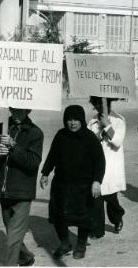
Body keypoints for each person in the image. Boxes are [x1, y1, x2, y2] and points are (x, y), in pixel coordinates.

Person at [40, 105, 105, 260]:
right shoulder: (60, 135)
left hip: (83, 186)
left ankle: (81, 244)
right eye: (69, 119)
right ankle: (64, 243)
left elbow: (100, 162)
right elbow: (52, 156)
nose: (72, 123)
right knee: (59, 215)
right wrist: (45, 173)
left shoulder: (90, 138)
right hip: (61, 184)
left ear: (82, 120)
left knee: (83, 217)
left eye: (76, 119)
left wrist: (97, 181)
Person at [0, 107, 44, 266]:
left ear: (28, 110)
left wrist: (14, 146)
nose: (17, 114)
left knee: (12, 237)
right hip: (3, 191)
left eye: (21, 111)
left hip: (22, 193)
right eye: (14, 110)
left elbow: (33, 162)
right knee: (12, 232)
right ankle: (25, 257)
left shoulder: (35, 133)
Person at [87, 96, 126, 238]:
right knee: (97, 195)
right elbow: (88, 141)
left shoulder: (119, 120)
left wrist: (108, 126)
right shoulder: (92, 122)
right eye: (95, 102)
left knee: (110, 196)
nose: (98, 105)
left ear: (108, 102)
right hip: (96, 164)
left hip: (112, 164)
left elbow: (117, 141)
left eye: (101, 102)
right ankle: (98, 230)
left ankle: (117, 217)